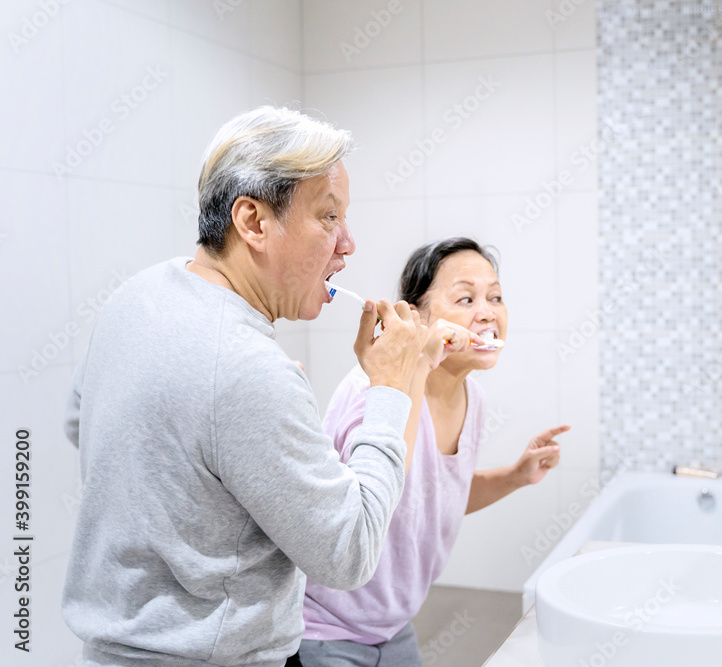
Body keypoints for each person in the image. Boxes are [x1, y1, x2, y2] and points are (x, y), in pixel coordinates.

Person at [60, 106, 459, 665]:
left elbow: (79, 420)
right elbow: (350, 554)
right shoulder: (247, 369)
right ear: (252, 221)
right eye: (329, 217)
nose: (348, 244)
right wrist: (391, 387)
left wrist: (235, 442)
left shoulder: (136, 296)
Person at [295, 237, 571, 666]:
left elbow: (436, 497)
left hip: (392, 624)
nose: (488, 312)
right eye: (466, 298)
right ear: (416, 316)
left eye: (495, 297)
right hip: (324, 626)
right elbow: (360, 508)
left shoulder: (473, 399)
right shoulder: (376, 391)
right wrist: (418, 361)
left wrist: (516, 475)